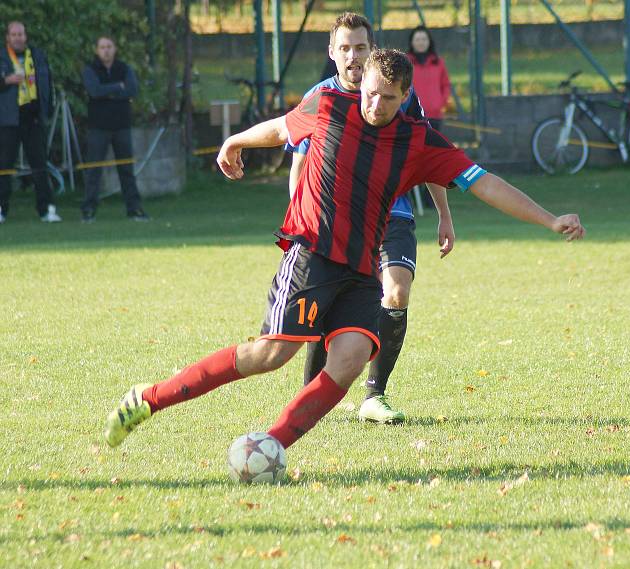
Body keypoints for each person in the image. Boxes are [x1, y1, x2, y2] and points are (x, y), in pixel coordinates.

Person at [103, 48, 585, 455]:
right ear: (362, 81)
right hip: (312, 254)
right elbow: (279, 129)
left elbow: (485, 183)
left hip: (360, 269)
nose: (375, 104)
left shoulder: (417, 140)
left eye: (388, 98)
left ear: (405, 98)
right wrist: (234, 141)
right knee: (271, 355)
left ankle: (269, 447)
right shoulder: (330, 103)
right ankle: (148, 398)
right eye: (371, 92)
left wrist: (549, 218)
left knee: (351, 357)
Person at [288, 12, 455, 425]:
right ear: (332, 53)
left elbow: (430, 157)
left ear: (373, 48)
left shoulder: (400, 94)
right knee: (325, 306)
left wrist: (444, 216)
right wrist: (300, 226)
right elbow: (298, 164)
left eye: (360, 47)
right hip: (334, 223)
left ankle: (374, 395)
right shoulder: (320, 97)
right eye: (344, 48)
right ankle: (312, 395)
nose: (353, 56)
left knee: (397, 293)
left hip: (393, 213)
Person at [80, 36, 149, 223]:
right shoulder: (90, 69)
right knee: (93, 170)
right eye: (102, 47)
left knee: (126, 169)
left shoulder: (124, 68)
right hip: (98, 128)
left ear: (115, 48)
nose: (106, 50)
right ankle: (88, 210)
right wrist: (117, 87)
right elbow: (94, 91)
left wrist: (107, 92)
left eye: (109, 46)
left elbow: (132, 90)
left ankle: (134, 209)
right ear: (97, 50)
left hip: (121, 127)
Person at [0, 21, 60, 223]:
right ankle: (1, 209)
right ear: (7, 37)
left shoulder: (37, 55)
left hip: (33, 118)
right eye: (14, 34)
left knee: (40, 164)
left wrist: (48, 109)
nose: (18, 37)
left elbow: (48, 82)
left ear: (26, 36)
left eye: (21, 34)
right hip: (8, 119)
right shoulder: (2, 56)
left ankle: (47, 210)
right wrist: (5, 81)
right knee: (4, 166)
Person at [407, 25, 450, 132]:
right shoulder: (405, 62)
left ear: (429, 41)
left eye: (424, 39)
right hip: (412, 116)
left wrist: (440, 103)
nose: (421, 42)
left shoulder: (438, 62)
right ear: (412, 42)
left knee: (434, 148)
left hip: (435, 116)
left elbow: (445, 85)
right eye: (417, 39)